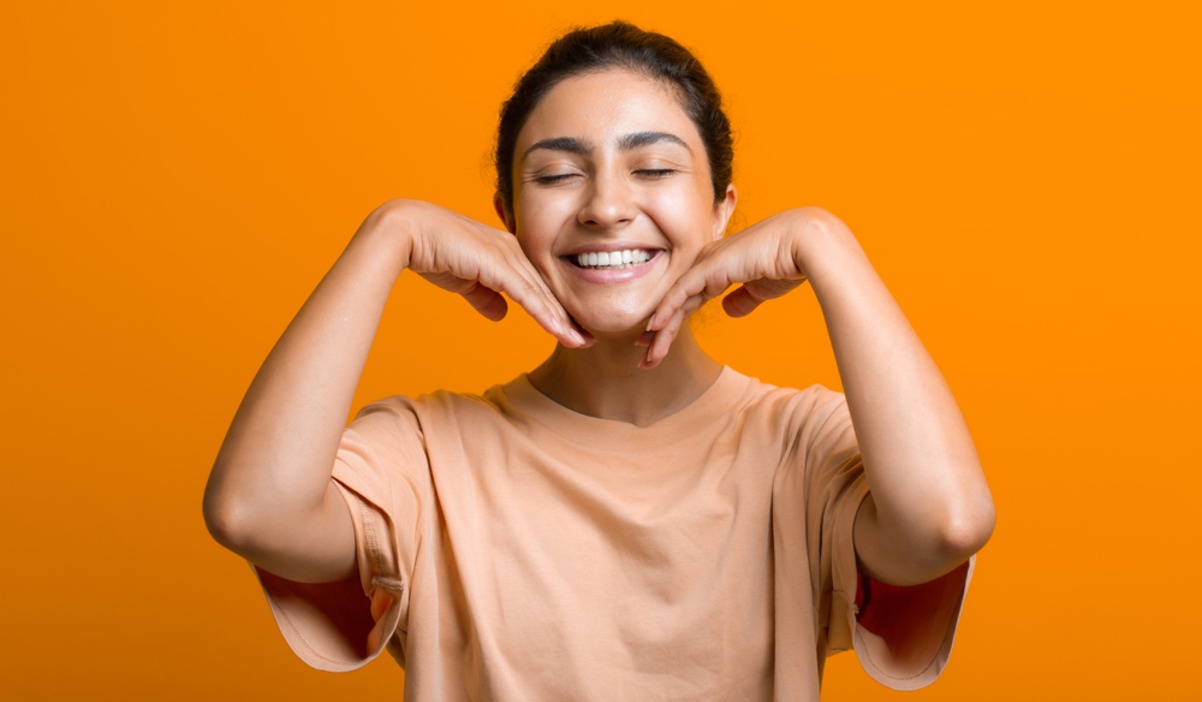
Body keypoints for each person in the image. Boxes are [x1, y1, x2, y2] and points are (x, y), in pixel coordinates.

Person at [203, 20, 995, 701]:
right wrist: (387, 236)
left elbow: (945, 525)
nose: (607, 207)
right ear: (505, 221)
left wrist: (829, 244)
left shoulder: (801, 446)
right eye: (556, 175)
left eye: (653, 169)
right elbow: (253, 513)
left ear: (723, 210)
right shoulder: (427, 455)